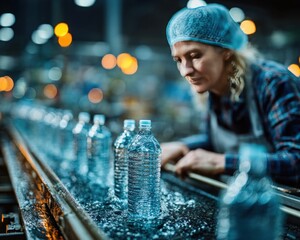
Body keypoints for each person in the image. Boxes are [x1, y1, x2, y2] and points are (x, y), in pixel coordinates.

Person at [162, 3, 300, 186]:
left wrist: (220, 162)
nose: (185, 70)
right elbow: (214, 141)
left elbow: (295, 162)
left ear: (226, 51)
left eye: (195, 56)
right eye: (178, 60)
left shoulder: (272, 82)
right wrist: (183, 146)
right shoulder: (212, 87)